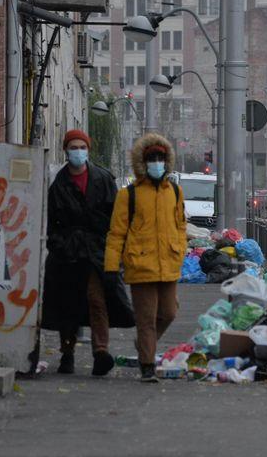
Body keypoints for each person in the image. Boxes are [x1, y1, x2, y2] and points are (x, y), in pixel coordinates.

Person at [41, 129, 135, 376]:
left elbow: (117, 219)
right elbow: (51, 223)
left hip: (96, 251)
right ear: (66, 150)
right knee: (68, 305)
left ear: (89, 150)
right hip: (69, 254)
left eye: (82, 147)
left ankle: (100, 352)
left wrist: (113, 249)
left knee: (97, 300)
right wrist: (60, 245)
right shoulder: (59, 184)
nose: (78, 152)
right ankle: (67, 353)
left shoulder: (103, 179)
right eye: (73, 147)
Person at [104, 133, 187, 383]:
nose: (157, 162)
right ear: (143, 161)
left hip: (169, 264)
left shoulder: (174, 190)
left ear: (168, 161)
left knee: (169, 313)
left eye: (161, 158)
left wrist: (179, 249)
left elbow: (181, 225)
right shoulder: (128, 195)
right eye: (152, 158)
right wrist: (110, 267)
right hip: (140, 265)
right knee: (146, 318)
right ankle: (147, 365)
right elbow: (116, 233)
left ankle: (143, 344)